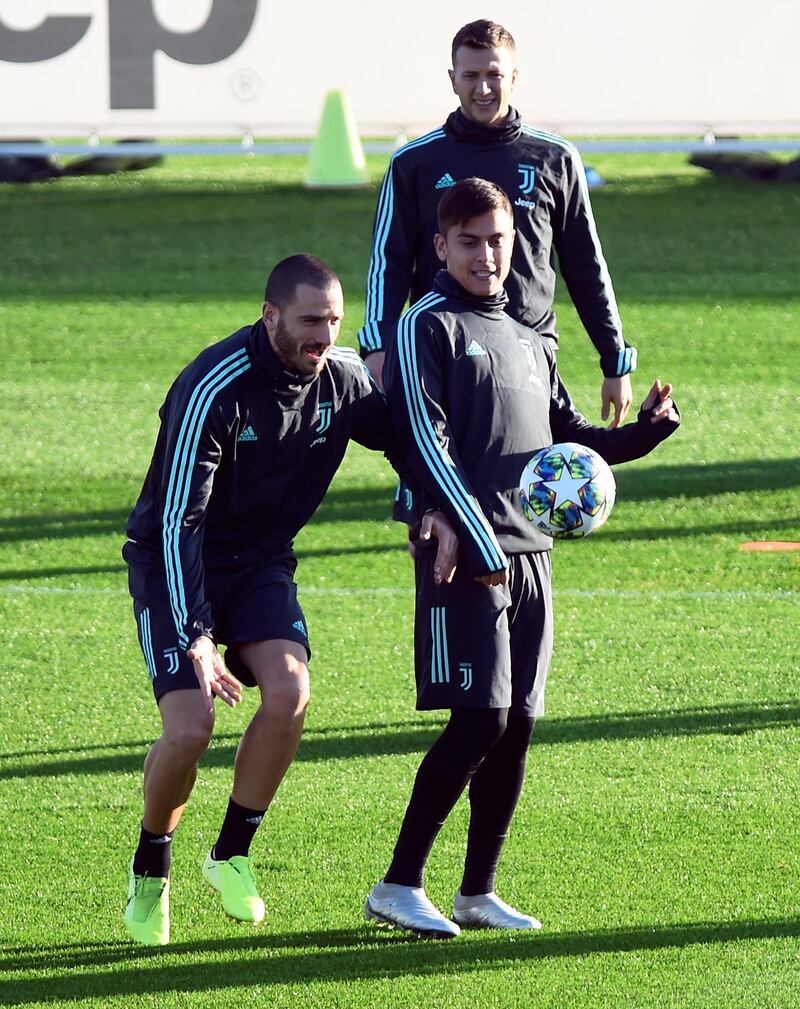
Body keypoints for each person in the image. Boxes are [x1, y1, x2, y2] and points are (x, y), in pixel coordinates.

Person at [364, 178, 680, 937]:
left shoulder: (532, 332)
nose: (485, 254)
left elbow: (565, 432)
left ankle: (477, 889)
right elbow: (424, 442)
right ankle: (399, 882)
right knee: (480, 719)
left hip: (531, 552)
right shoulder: (426, 326)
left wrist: (642, 435)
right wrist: (473, 534)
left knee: (519, 723)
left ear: (514, 243)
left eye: (497, 239)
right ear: (441, 245)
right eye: (468, 240)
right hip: (464, 554)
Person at [122, 254, 457, 946]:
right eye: (310, 321)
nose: (323, 337)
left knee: (290, 691)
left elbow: (409, 442)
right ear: (269, 313)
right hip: (175, 564)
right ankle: (152, 865)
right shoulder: (213, 386)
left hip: (261, 563)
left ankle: (231, 854)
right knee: (189, 729)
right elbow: (178, 517)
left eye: (333, 321)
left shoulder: (341, 380)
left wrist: (435, 507)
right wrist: (197, 633)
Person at [359, 18, 636, 428]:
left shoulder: (555, 159)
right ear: (453, 79)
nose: (483, 88)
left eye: (495, 75)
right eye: (471, 75)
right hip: (442, 351)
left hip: (530, 351)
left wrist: (615, 360)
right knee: (434, 470)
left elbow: (585, 265)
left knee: (522, 474)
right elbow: (390, 261)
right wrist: (378, 345)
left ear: (515, 77)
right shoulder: (414, 162)